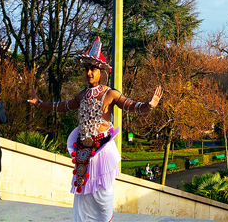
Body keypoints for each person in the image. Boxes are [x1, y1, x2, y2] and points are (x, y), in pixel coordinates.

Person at [27, 37, 161, 222]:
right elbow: (63, 106)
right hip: (83, 151)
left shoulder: (110, 93)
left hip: (102, 149)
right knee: (82, 197)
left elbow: (129, 105)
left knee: (103, 196)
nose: (89, 73)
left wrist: (148, 106)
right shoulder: (81, 95)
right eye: (87, 69)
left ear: (101, 71)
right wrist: (41, 104)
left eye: (93, 69)